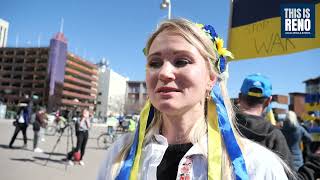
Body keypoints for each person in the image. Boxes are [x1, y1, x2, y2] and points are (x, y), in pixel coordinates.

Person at [97, 18, 294, 180]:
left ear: (211, 78)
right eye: (154, 63)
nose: (164, 73)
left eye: (182, 61)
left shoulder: (256, 166)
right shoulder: (119, 155)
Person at [235, 73, 293, 167]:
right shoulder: (274, 135)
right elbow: (289, 175)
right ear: (268, 101)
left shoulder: (222, 128)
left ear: (239, 97)